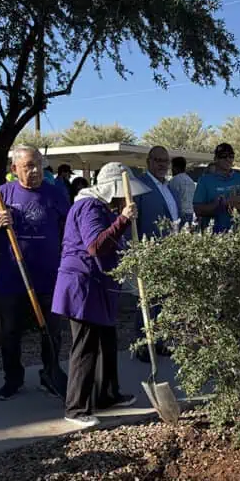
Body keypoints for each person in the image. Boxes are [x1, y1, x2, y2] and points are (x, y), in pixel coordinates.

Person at [52, 162, 148, 427]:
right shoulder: (89, 206)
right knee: (85, 346)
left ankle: (106, 394)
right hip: (83, 284)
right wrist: (124, 219)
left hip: (99, 285)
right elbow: (95, 245)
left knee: (106, 341)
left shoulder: (102, 209)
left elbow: (111, 242)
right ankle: (75, 407)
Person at [0, 145, 70, 401]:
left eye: (38, 165)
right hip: (13, 277)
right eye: (28, 166)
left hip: (48, 275)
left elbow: (67, 226)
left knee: (52, 330)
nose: (35, 171)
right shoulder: (4, 193)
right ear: (14, 169)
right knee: (10, 331)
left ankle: (51, 374)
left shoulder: (55, 194)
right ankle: (13, 379)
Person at [133, 146, 182, 361]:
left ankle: (162, 341)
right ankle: (144, 345)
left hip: (169, 253)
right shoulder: (140, 186)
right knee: (147, 299)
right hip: (149, 253)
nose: (162, 164)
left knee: (165, 301)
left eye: (165, 161)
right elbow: (133, 222)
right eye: (158, 160)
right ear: (149, 162)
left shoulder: (169, 188)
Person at [193, 142, 240, 233]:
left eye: (231, 156)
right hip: (211, 236)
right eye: (224, 156)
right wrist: (218, 205)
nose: (228, 159)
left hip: (239, 236)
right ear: (215, 159)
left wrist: (231, 204)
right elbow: (197, 210)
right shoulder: (204, 180)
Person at [168, 155, 196, 225]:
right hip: (190, 213)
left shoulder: (174, 180)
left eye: (172, 167)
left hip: (180, 214)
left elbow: (171, 199)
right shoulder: (191, 180)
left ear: (175, 168)